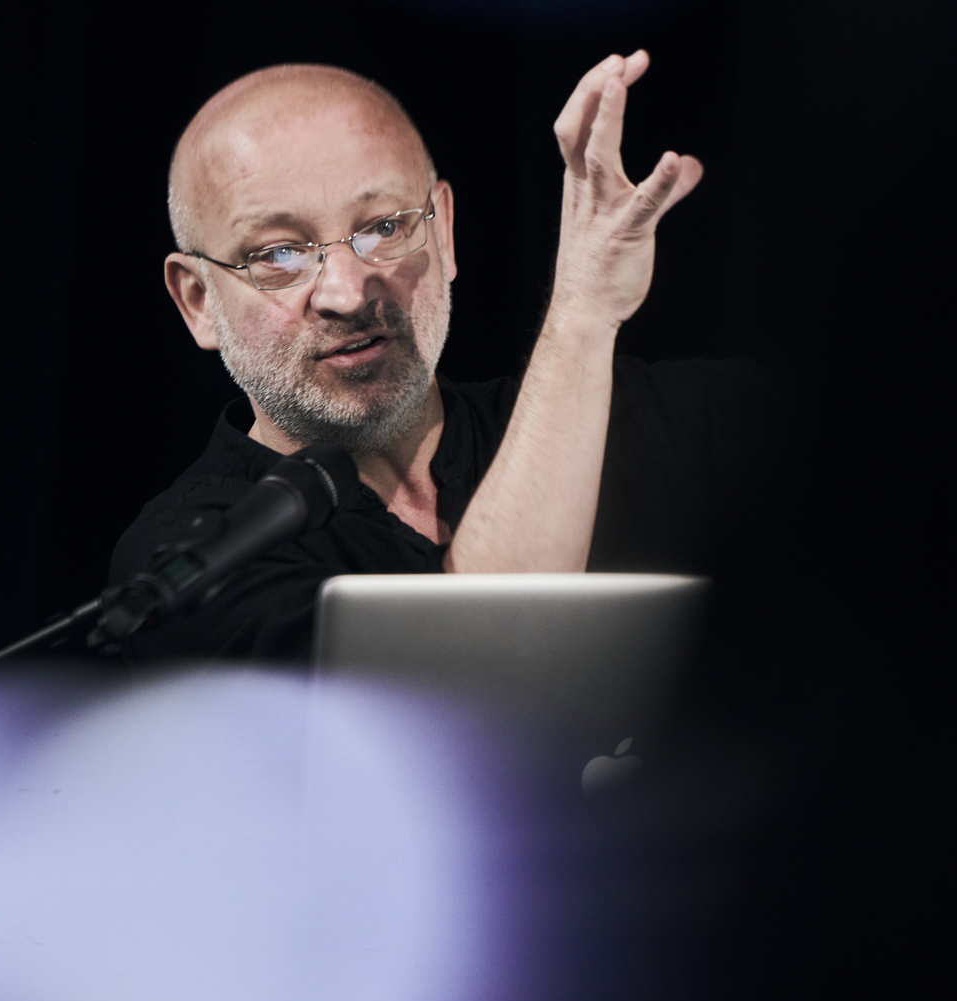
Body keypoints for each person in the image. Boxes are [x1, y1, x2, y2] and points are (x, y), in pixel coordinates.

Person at [110, 55, 769, 662]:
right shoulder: (184, 568)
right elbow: (478, 683)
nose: (347, 293)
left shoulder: (648, 425)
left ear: (445, 231)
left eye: (384, 227)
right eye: (279, 254)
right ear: (197, 301)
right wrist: (581, 315)